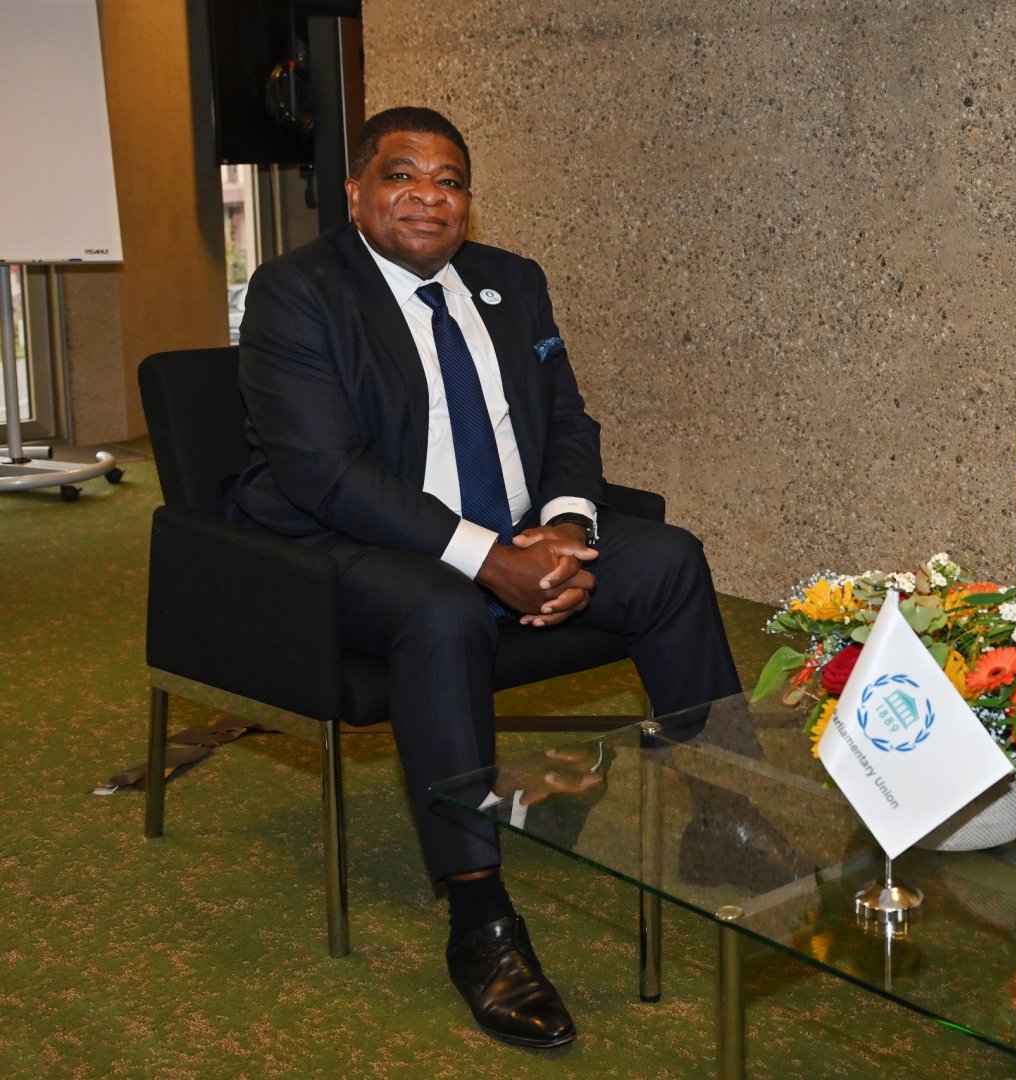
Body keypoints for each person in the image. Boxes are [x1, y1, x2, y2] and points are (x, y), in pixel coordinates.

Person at [229, 106, 744, 1049]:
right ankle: (481, 921)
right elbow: (325, 473)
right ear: (355, 190)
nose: (428, 197)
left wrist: (566, 530)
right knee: (442, 612)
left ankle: (725, 816)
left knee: (669, 559)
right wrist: (492, 562)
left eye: (450, 181)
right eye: (401, 175)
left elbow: (568, 422)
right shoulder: (297, 291)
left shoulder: (513, 281)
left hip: (512, 532)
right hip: (346, 546)